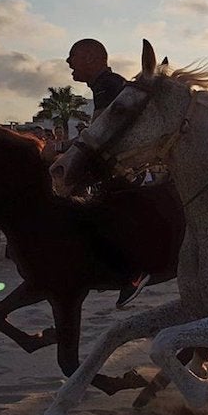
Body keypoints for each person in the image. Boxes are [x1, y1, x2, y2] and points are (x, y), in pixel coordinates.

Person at [67, 38, 150, 308]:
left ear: (92, 58)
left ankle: (135, 271)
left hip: (126, 166)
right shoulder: (106, 84)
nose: (69, 63)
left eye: (73, 57)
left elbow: (100, 132)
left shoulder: (107, 85)